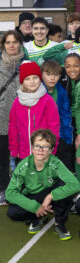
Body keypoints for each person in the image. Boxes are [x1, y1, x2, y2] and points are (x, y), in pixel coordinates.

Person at [6, 130, 80, 240]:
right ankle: (39, 216)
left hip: (51, 196)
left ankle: (59, 223)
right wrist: (35, 207)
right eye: (37, 146)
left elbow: (76, 185)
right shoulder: (23, 166)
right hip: (34, 197)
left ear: (51, 150)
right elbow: (10, 193)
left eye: (46, 146)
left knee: (64, 185)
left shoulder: (56, 163)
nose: (41, 150)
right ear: (32, 147)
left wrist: (51, 196)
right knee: (13, 212)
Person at [8, 61, 60, 161]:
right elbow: (13, 127)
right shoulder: (17, 102)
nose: (32, 81)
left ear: (40, 79)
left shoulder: (47, 101)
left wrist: (51, 150)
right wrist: (14, 149)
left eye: (35, 77)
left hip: (43, 153)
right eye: (27, 79)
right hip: (23, 154)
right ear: (22, 81)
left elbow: (54, 127)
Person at [0, 30, 25, 205]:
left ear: (20, 44)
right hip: (1, 118)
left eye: (14, 42)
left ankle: (19, 189)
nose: (11, 45)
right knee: (2, 158)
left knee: (20, 157)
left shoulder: (27, 64)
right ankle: (3, 188)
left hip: (21, 119)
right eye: (8, 42)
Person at [41, 60, 74, 171]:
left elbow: (66, 115)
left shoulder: (61, 92)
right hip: (41, 135)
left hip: (58, 135)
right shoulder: (38, 91)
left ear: (60, 76)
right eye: (48, 74)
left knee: (64, 164)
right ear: (42, 75)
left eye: (55, 75)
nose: (52, 78)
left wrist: (67, 137)